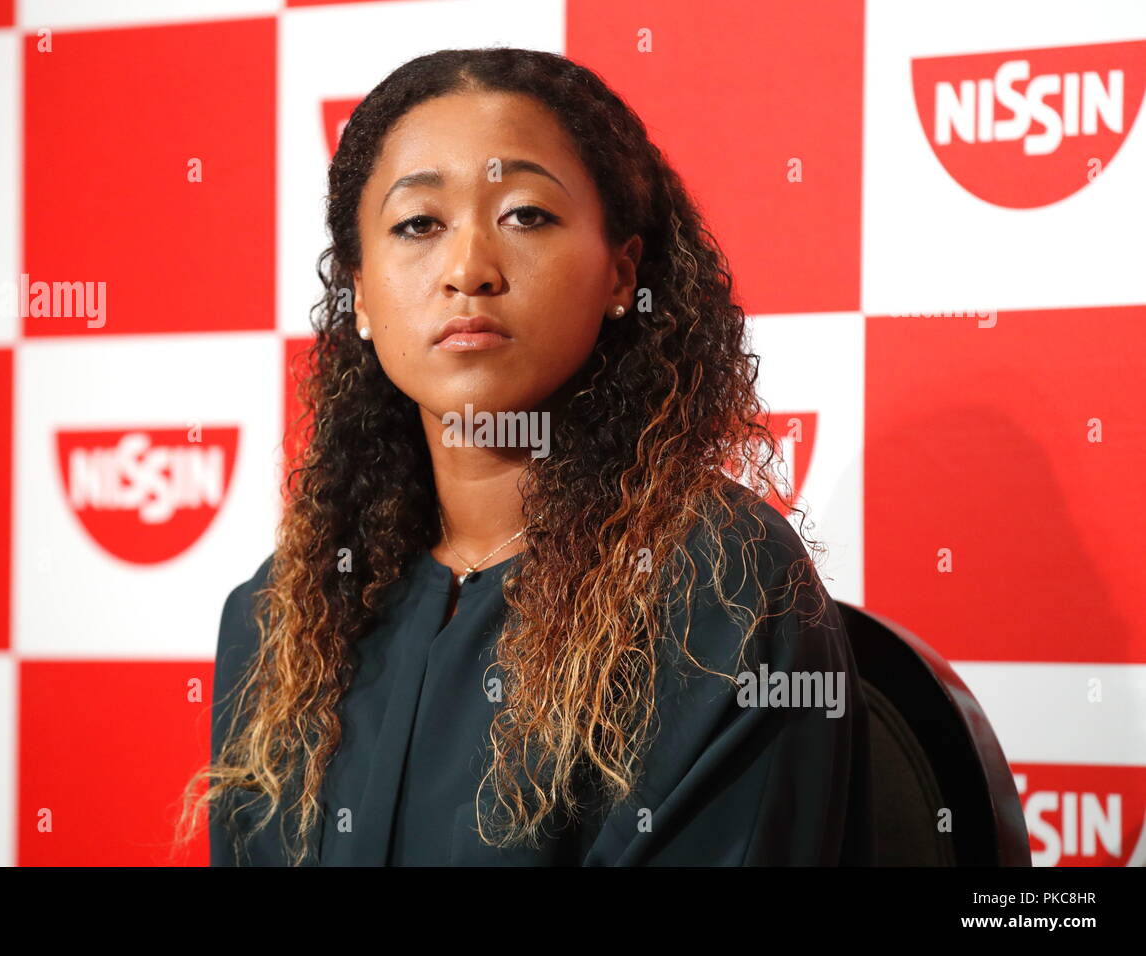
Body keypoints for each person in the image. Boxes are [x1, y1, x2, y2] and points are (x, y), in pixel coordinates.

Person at [178, 46, 874, 866]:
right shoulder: (281, 614)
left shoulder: (715, 587)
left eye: (526, 216)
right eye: (418, 225)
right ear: (360, 294)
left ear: (623, 272)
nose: (468, 269)